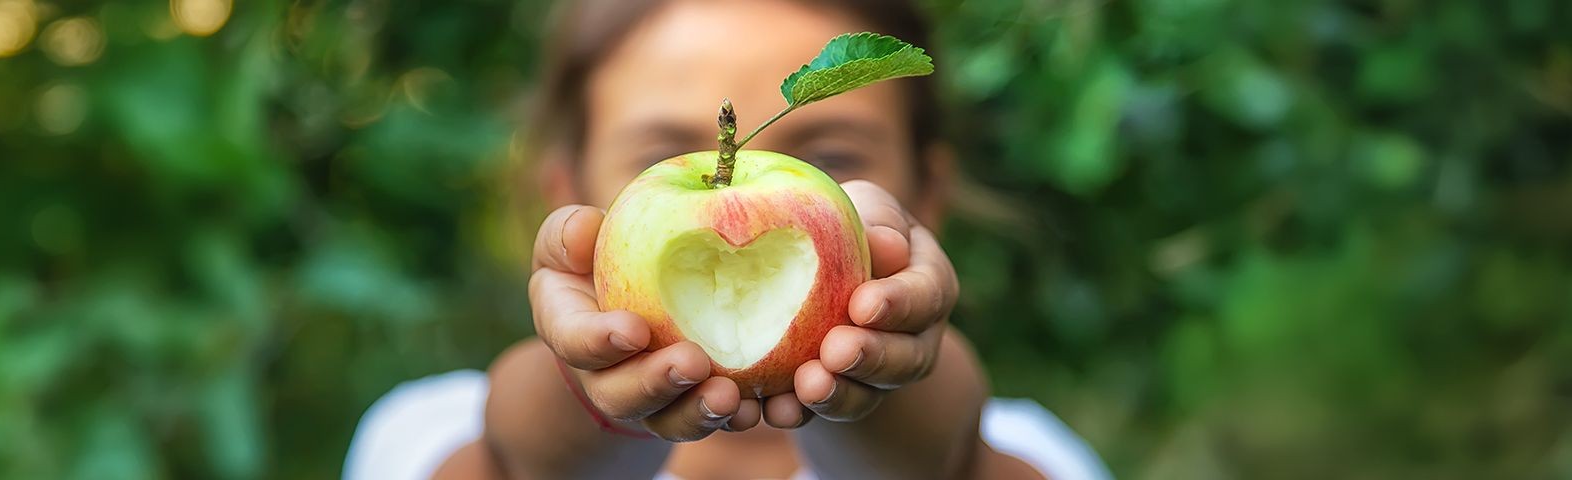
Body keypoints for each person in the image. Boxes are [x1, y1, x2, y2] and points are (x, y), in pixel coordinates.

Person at [345, 0, 1111, 478]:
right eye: (657, 156)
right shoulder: (425, 428)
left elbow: (948, 460)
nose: (748, 204)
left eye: (833, 157)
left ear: (926, 198)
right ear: (571, 202)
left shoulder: (1029, 449)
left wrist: (887, 388)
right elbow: (519, 461)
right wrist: (594, 384)